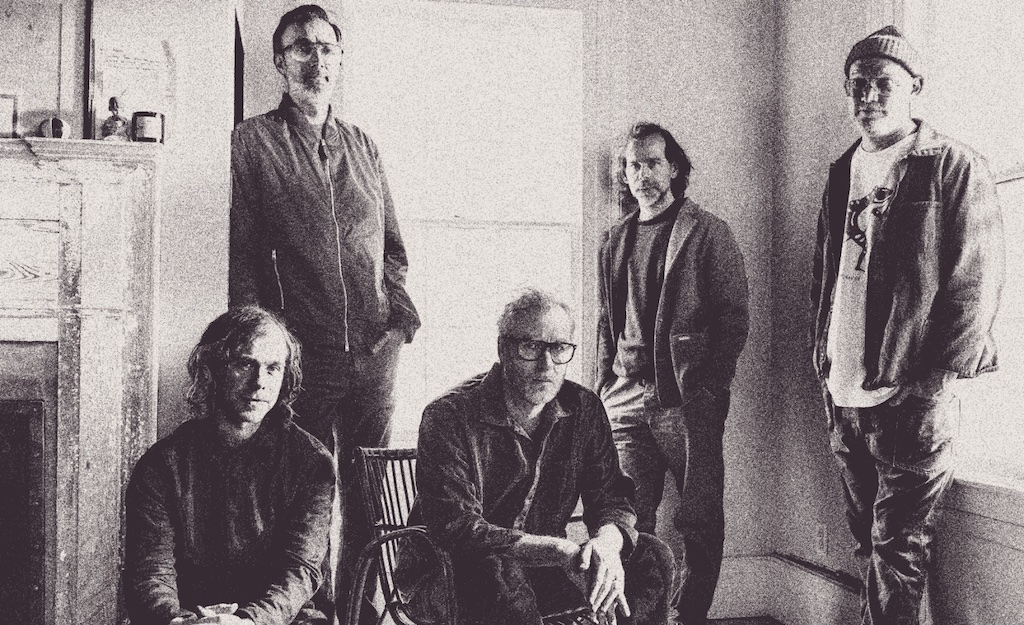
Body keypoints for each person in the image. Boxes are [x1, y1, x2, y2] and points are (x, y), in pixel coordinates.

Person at [229, 5, 420, 621]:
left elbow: (392, 250)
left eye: (326, 48)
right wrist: (264, 346)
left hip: (374, 354)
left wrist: (396, 327)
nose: (316, 60)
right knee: (302, 499)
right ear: (279, 62)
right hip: (300, 358)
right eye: (301, 48)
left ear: (340, 59)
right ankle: (307, 614)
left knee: (368, 500)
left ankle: (360, 614)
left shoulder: (363, 145)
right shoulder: (252, 141)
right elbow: (245, 253)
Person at [811, 26, 1004, 624]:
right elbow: (824, 277)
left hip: (911, 403)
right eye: (857, 85)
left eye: (882, 84)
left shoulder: (953, 166)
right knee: (869, 548)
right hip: (844, 396)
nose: (867, 96)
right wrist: (825, 365)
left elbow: (974, 286)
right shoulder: (842, 171)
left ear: (914, 88)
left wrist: (928, 384)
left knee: (897, 552)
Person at [408, 289, 675, 625]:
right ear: (503, 349)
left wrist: (607, 545)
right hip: (450, 574)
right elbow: (458, 528)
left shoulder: (584, 408)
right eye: (530, 347)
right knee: (498, 569)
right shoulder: (448, 415)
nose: (546, 365)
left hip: (541, 569)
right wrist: (558, 550)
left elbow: (611, 496)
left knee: (653, 556)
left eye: (559, 348)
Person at [595, 123, 749, 625]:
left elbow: (733, 319)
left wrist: (707, 387)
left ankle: (688, 617)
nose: (641, 174)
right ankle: (641, 617)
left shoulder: (707, 232)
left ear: (675, 168)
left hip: (684, 401)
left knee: (698, 519)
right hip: (622, 400)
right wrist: (602, 387)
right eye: (633, 165)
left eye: (652, 163)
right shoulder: (614, 239)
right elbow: (606, 321)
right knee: (626, 519)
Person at [124, 306, 335, 625]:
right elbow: (150, 572)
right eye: (245, 364)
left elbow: (301, 569)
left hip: (282, 619)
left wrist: (250, 622)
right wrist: (178, 620)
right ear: (212, 369)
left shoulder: (311, 462)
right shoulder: (161, 465)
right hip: (192, 618)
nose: (259, 382)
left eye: (273, 368)